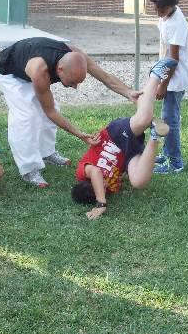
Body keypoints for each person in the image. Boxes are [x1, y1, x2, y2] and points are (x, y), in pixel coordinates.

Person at [0, 36, 140, 188]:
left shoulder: (76, 55)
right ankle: (29, 168)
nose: (75, 87)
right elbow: (49, 112)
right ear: (60, 70)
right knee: (27, 116)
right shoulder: (40, 70)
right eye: (72, 82)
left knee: (53, 107)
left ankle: (47, 152)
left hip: (29, 62)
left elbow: (105, 77)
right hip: (10, 73)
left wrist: (129, 92)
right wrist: (79, 134)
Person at [71, 58, 175, 220]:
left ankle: (155, 75)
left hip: (114, 136)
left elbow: (97, 172)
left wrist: (101, 203)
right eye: (103, 190)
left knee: (144, 118)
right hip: (128, 153)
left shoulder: (82, 172)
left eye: (100, 188)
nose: (104, 186)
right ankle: (155, 135)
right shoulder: (107, 188)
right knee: (139, 181)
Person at [149, 0, 188, 175]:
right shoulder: (169, 14)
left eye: (161, 9)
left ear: (170, 5)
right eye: (155, 7)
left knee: (170, 121)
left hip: (174, 79)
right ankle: (167, 153)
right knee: (168, 118)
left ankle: (175, 162)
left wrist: (163, 85)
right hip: (168, 76)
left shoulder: (176, 23)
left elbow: (173, 60)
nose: (157, 11)